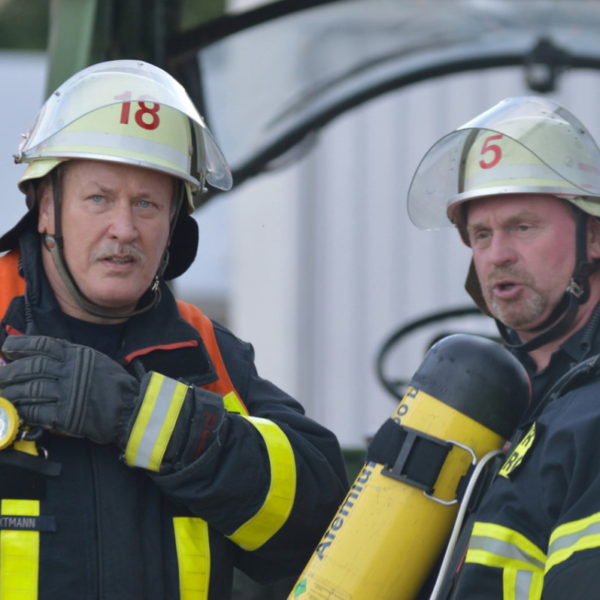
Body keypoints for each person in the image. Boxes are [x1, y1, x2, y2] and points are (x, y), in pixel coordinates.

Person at [0, 59, 348, 600]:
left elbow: (320, 523)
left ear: (173, 226)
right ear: (46, 207)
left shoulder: (205, 355)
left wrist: (141, 418)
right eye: (99, 198)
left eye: (147, 204)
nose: (124, 228)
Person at [407, 96, 600, 598]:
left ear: (594, 236)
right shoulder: (485, 404)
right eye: (481, 235)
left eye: (522, 227)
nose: (498, 256)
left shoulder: (590, 412)